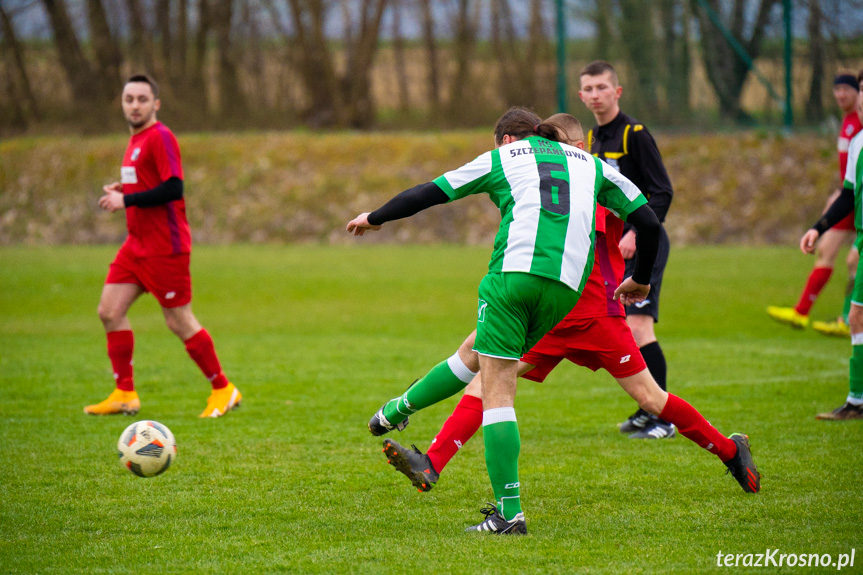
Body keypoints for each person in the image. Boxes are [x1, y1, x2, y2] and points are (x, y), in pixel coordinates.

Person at [379, 114, 760, 505]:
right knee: (486, 380)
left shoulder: (592, 185)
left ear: (579, 149)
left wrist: (636, 255)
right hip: (552, 318)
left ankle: (731, 452)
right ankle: (432, 462)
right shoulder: (563, 184)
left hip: (597, 315)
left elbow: (646, 216)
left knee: (650, 398)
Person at [348, 107, 662, 535]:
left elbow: (431, 192)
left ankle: (509, 513)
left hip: (513, 277)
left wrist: (375, 217)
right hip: (566, 291)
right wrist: (641, 280)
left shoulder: (505, 157)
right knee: (477, 352)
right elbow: (649, 222)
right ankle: (396, 410)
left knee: (497, 387)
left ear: (508, 140)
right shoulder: (593, 166)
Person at [84, 75, 241, 419]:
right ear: (122, 103)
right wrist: (126, 192)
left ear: (155, 104)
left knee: (178, 321)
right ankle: (124, 393)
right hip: (135, 246)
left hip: (165, 247)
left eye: (142, 99)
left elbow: (173, 188)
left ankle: (223, 388)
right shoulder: (135, 141)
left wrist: (127, 201)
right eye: (129, 99)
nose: (135, 105)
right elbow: (147, 184)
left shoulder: (161, 137)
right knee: (109, 311)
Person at [579, 60, 675, 438]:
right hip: (615, 247)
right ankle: (646, 410)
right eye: (588, 89)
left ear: (617, 91)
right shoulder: (590, 139)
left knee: (638, 326)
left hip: (643, 243)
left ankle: (663, 418)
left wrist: (637, 231)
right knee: (623, 328)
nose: (595, 95)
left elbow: (662, 191)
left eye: (602, 87)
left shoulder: (634, 134)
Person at [769, 73, 863, 336]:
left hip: (857, 200)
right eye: (837, 90)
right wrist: (837, 198)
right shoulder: (850, 126)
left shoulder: (858, 123)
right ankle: (805, 312)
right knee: (827, 249)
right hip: (851, 196)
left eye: (848, 89)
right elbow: (852, 176)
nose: (841, 95)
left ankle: (847, 318)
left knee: (854, 259)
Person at [800, 69, 863, 420]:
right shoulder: (857, 141)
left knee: (857, 316)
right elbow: (848, 195)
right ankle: (857, 401)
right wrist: (818, 227)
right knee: (857, 317)